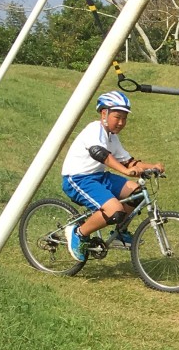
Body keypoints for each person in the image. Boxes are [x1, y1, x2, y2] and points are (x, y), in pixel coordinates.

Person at [59, 90, 164, 260]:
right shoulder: (94, 129)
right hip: (78, 179)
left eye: (124, 118)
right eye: (117, 117)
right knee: (115, 210)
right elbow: (99, 153)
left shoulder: (112, 137)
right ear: (104, 114)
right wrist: (125, 171)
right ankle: (78, 233)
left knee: (136, 193)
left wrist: (153, 166)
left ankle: (120, 233)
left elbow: (129, 162)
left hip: (99, 177)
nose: (121, 122)